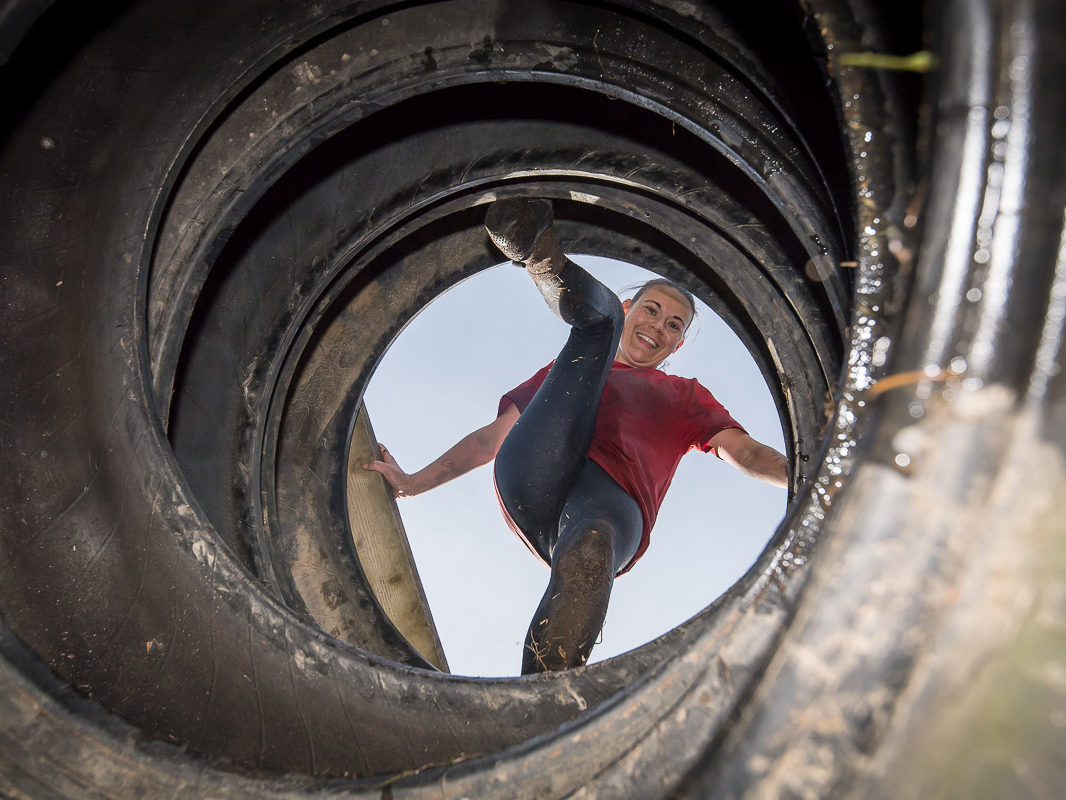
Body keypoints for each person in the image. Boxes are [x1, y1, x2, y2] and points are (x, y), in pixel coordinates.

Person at [365, 198, 788, 674]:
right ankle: (536, 253)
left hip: (613, 505)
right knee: (598, 328)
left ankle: (539, 700)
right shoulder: (577, 367)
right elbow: (492, 440)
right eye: (651, 311)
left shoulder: (687, 396)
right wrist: (413, 482)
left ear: (679, 343)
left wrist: (807, 474)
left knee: (592, 548)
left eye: (674, 326)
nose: (658, 327)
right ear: (632, 309)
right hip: (538, 476)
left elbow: (746, 452)